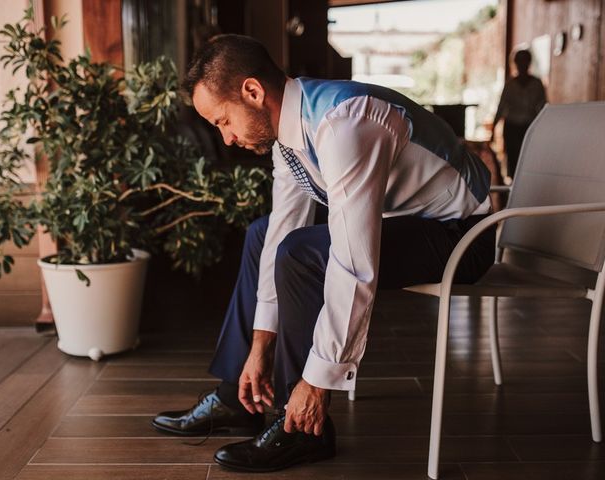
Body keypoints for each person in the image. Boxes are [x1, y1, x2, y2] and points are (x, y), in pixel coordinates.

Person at [153, 34, 496, 472]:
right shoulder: (289, 135)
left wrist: (318, 383)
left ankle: (300, 426)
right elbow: (282, 228)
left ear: (253, 92)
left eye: (223, 121)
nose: (228, 139)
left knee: (301, 252)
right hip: (406, 225)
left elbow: (354, 264)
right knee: (266, 234)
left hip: (462, 237)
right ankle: (238, 395)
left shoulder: (346, 124)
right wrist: (261, 346)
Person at [491, 48, 547, 180]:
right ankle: (513, 187)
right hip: (512, 126)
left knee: (530, 157)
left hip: (530, 126)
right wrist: (494, 127)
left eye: (524, 61)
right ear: (515, 64)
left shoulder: (537, 84)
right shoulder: (510, 85)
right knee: (513, 158)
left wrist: (545, 127)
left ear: (529, 63)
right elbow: (502, 106)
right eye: (519, 62)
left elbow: (543, 107)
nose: (522, 64)